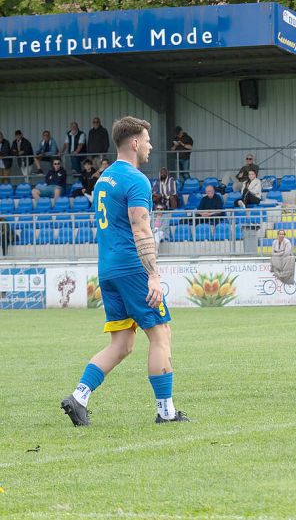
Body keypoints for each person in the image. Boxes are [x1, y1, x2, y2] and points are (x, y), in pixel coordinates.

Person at [61, 116, 189, 426]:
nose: (150, 145)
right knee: (161, 334)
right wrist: (153, 275)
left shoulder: (104, 178)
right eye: (147, 140)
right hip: (132, 269)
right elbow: (141, 229)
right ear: (134, 142)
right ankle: (166, 413)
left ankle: (78, 397)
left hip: (108, 269)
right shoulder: (136, 180)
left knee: (122, 344)